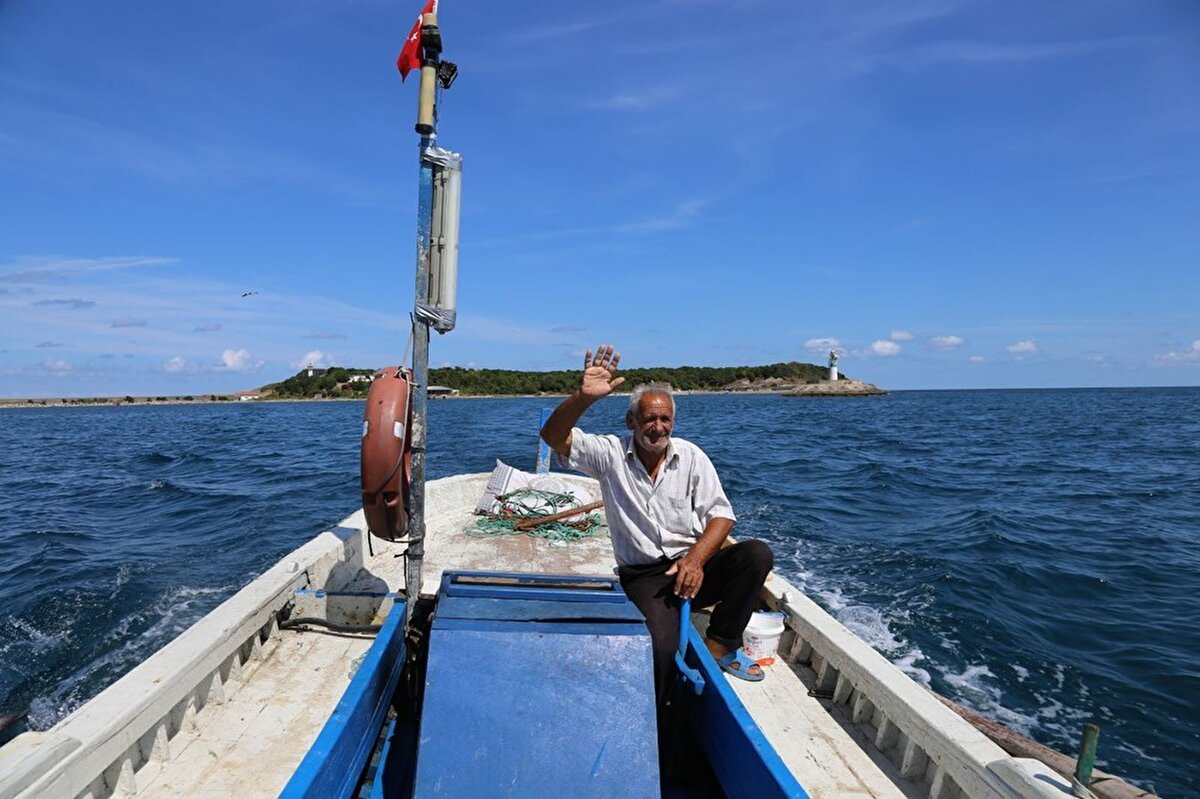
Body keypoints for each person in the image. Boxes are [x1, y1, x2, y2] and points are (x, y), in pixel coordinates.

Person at [539, 343, 774, 704]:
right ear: (631, 421)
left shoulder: (691, 456)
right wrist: (582, 398)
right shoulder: (609, 453)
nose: (658, 427)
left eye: (665, 419)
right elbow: (553, 436)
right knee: (660, 652)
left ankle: (720, 645)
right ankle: (665, 724)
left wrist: (696, 559)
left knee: (756, 555)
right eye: (649, 418)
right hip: (648, 578)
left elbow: (722, 514)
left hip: (694, 565)